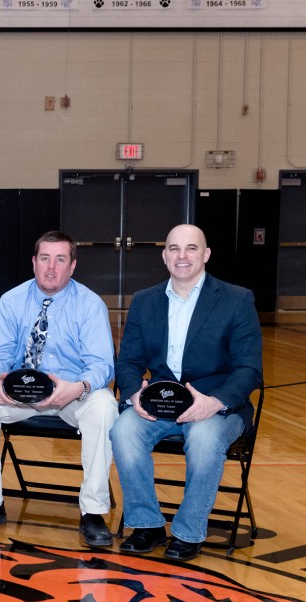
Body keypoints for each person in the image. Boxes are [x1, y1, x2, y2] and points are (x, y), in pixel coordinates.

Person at [110, 223, 262, 561]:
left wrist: (215, 402)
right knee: (122, 430)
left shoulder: (237, 300)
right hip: (159, 405)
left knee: (205, 439)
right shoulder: (145, 301)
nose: (182, 256)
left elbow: (249, 369)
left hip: (217, 404)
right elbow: (128, 361)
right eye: (174, 249)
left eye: (191, 248)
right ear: (164, 256)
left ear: (205, 255)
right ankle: (147, 524)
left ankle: (188, 532)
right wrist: (134, 393)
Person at [0, 231, 117, 545]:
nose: (51, 267)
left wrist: (78, 388)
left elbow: (101, 364)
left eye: (60, 260)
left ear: (72, 266)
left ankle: (93, 512)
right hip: (20, 392)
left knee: (104, 405)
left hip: (69, 393)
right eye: (44, 258)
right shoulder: (12, 300)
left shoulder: (90, 305)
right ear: (33, 263)